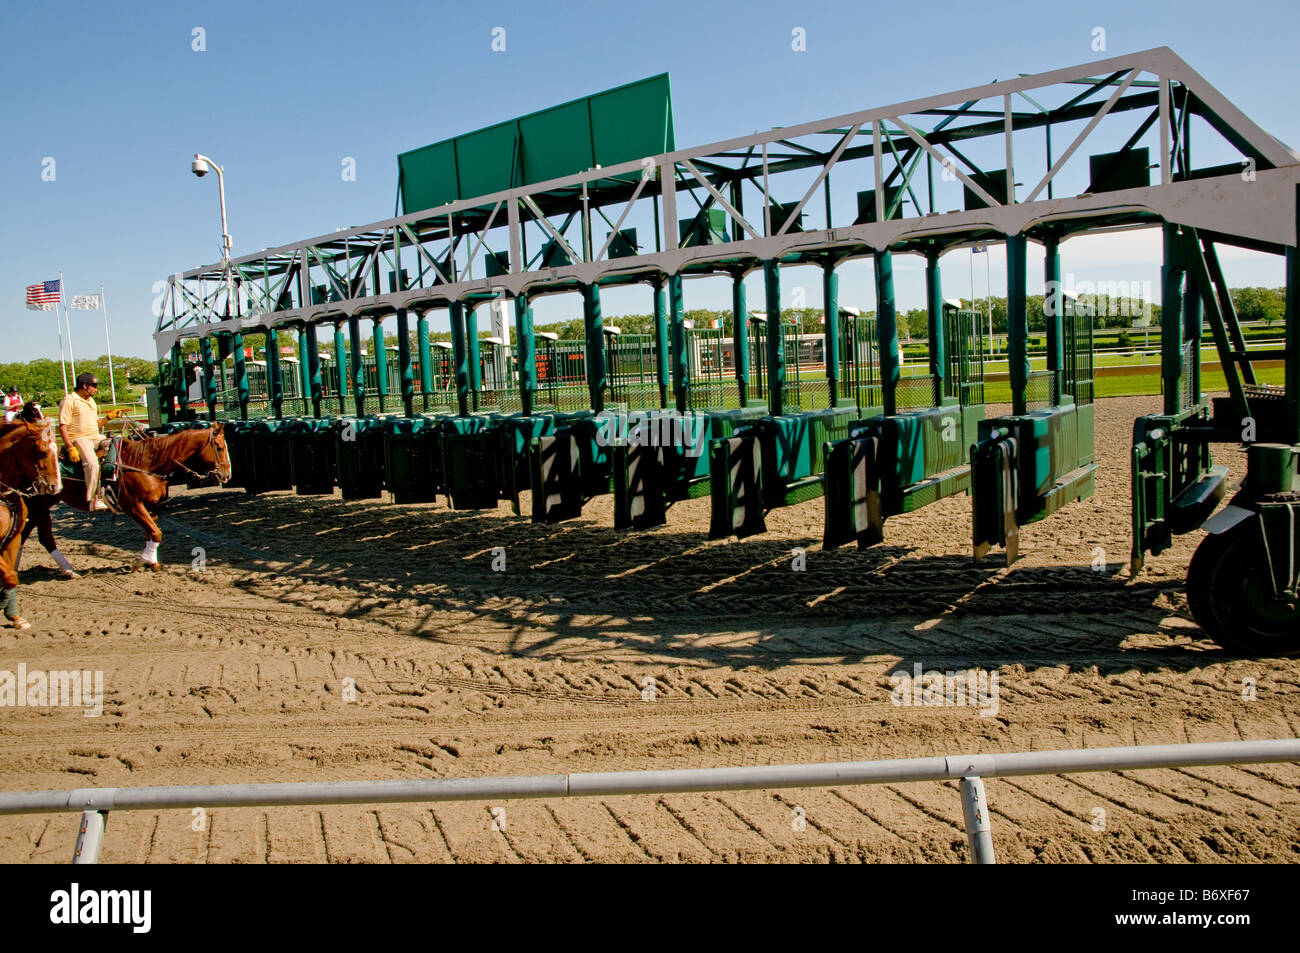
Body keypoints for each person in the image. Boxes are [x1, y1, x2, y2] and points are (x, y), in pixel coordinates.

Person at [57, 373, 123, 512]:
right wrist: (70, 447)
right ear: (84, 386)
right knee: (92, 464)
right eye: (94, 386)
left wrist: (108, 417)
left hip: (95, 436)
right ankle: (94, 498)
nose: (96, 389)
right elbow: (62, 426)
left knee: (120, 445)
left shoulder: (91, 401)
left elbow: (95, 424)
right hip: (79, 439)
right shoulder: (69, 400)